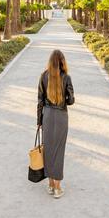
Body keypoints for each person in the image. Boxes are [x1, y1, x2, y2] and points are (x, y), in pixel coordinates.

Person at [37, 49, 74, 198]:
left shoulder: (43, 76)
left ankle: (51, 185)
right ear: (62, 62)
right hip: (61, 117)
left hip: (47, 115)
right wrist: (67, 94)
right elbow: (71, 101)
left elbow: (40, 101)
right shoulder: (66, 77)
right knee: (59, 151)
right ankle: (58, 189)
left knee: (49, 150)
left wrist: (39, 121)